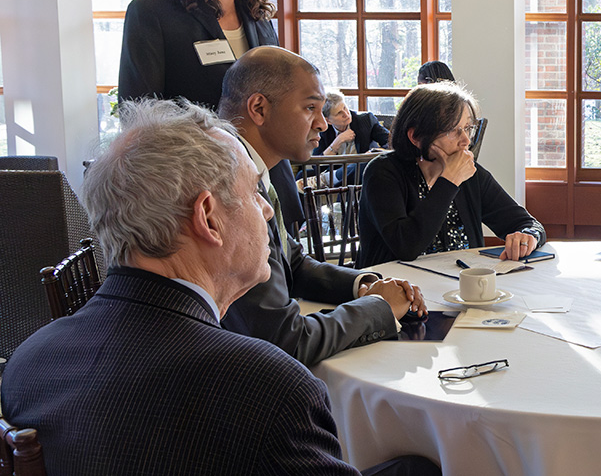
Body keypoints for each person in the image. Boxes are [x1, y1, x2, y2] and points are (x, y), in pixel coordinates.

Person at [0, 99, 359, 475]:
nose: (267, 210)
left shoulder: (29, 361)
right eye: (255, 192)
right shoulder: (266, 388)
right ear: (208, 218)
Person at [219, 47, 426, 367]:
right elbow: (286, 339)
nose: (321, 124)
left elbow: (292, 263)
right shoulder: (227, 182)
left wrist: (362, 285)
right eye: (310, 108)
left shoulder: (252, 166)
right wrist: (376, 307)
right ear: (259, 108)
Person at [117, 0, 304, 231]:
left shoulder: (260, 21)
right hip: (198, 201)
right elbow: (139, 118)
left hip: (270, 194)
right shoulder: (152, 16)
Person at [358, 82, 546, 266]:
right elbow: (406, 247)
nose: (465, 141)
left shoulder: (471, 175)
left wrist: (528, 235)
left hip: (458, 288)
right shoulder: (382, 172)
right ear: (415, 137)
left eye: (467, 128)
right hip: (396, 289)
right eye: (452, 131)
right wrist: (449, 181)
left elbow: (528, 223)